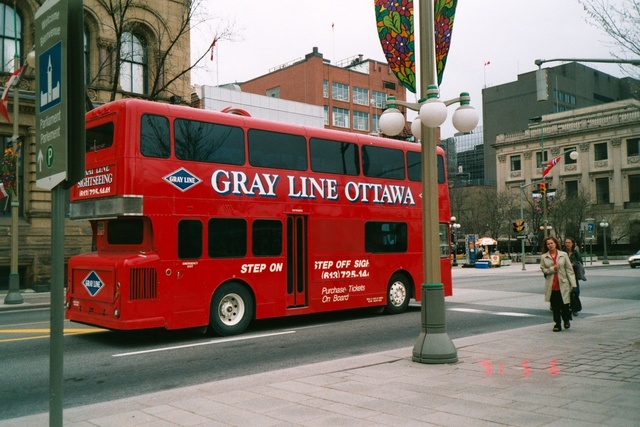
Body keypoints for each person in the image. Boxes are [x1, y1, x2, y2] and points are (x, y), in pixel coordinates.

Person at [540, 236, 577, 332]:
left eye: (551, 243)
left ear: (556, 244)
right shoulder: (544, 257)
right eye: (548, 244)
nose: (550, 245)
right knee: (555, 307)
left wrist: (573, 284)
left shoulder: (563, 255)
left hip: (563, 284)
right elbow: (544, 270)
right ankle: (557, 323)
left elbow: (569, 270)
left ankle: (566, 320)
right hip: (552, 285)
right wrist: (553, 269)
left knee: (565, 305)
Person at [564, 237, 583, 317]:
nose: (567, 244)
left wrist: (574, 264)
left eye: (569, 242)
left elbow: (580, 264)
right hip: (564, 275)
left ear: (572, 244)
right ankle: (566, 307)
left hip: (573, 275)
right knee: (565, 292)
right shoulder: (562, 253)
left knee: (575, 291)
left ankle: (575, 308)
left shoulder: (576, 253)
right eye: (566, 242)